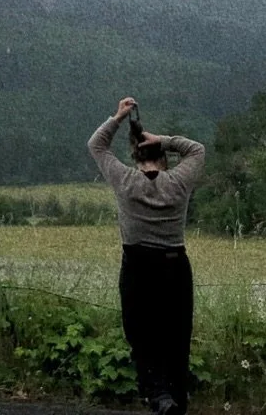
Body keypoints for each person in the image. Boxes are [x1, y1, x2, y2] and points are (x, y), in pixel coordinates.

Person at [87, 96, 206, 415]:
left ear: (135, 157)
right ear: (164, 160)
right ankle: (176, 400)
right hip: (175, 266)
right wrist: (163, 139)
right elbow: (197, 150)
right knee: (176, 337)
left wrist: (118, 117)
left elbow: (96, 146)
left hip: (138, 266)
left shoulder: (126, 181)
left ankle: (158, 395)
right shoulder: (179, 183)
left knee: (141, 335)